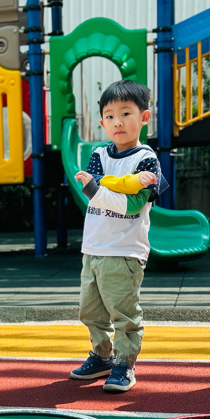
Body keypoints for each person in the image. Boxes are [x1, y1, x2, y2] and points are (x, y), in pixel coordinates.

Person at [70, 80, 165, 393]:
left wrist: (100, 187)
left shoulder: (147, 160)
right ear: (102, 123)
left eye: (126, 113)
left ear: (144, 117)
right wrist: (122, 183)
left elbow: (133, 205)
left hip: (124, 250)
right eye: (110, 116)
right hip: (93, 247)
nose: (118, 122)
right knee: (90, 311)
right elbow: (96, 185)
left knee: (123, 314)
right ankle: (102, 356)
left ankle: (124, 363)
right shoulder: (99, 153)